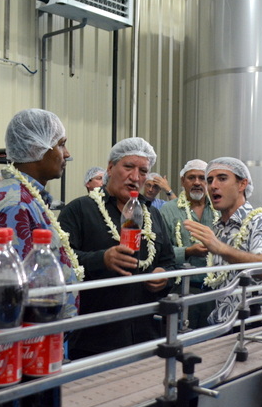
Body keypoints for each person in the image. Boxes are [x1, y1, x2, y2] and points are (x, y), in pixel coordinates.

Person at [183, 157, 262, 407]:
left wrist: (218, 248)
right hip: (225, 333)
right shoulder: (221, 226)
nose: (211, 187)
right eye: (209, 180)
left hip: (256, 334)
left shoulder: (261, 222)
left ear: (242, 184)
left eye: (220, 178)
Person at [58, 138, 175, 358]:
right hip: (93, 341)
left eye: (143, 171)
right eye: (128, 167)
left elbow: (168, 261)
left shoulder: (153, 215)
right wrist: (101, 260)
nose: (135, 177)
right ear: (110, 168)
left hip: (145, 337)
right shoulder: (79, 210)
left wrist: (164, 276)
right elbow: (61, 262)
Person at [0, 109, 82, 317]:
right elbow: (14, 292)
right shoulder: (16, 205)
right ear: (36, 148)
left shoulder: (28, 198)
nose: (67, 154)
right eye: (61, 144)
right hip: (31, 342)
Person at [159, 159, 220, 328]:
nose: (197, 183)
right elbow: (160, 251)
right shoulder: (168, 210)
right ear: (182, 181)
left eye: (202, 178)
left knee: (213, 343)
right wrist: (187, 251)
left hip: (215, 290)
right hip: (181, 289)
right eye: (191, 178)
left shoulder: (219, 208)